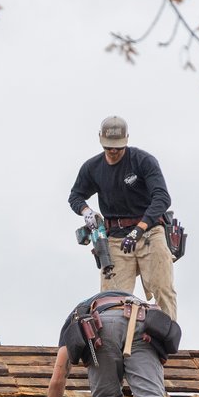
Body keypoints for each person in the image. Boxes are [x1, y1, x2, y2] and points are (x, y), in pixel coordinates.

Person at [35, 291, 182, 397]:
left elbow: (58, 379)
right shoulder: (130, 299)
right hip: (144, 320)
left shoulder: (76, 316)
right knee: (151, 395)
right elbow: (144, 384)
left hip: (101, 325)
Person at [68, 115, 177, 320]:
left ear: (126, 139)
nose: (114, 152)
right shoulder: (93, 168)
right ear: (101, 140)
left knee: (163, 288)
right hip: (116, 239)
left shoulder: (143, 161)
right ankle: (114, 345)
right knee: (110, 299)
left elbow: (162, 198)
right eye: (109, 147)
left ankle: (167, 343)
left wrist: (140, 229)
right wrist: (86, 211)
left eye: (118, 147)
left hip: (149, 233)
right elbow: (75, 196)